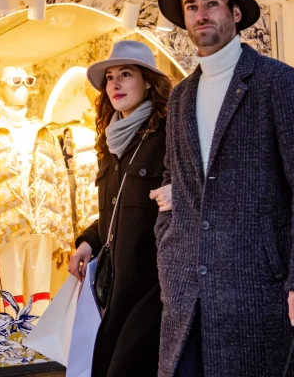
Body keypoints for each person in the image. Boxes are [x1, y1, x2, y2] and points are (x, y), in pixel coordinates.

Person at [155, 0, 294, 377]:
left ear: (235, 13)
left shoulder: (278, 83)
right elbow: (172, 177)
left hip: (257, 288)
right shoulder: (181, 96)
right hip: (186, 291)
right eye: (191, 5)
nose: (201, 13)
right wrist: (168, 242)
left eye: (212, 3)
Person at [68, 40, 172, 377]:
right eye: (110, 77)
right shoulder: (111, 144)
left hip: (153, 288)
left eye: (125, 74)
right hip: (115, 287)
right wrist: (89, 241)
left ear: (148, 82)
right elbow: (118, 211)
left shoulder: (167, 135)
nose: (114, 83)